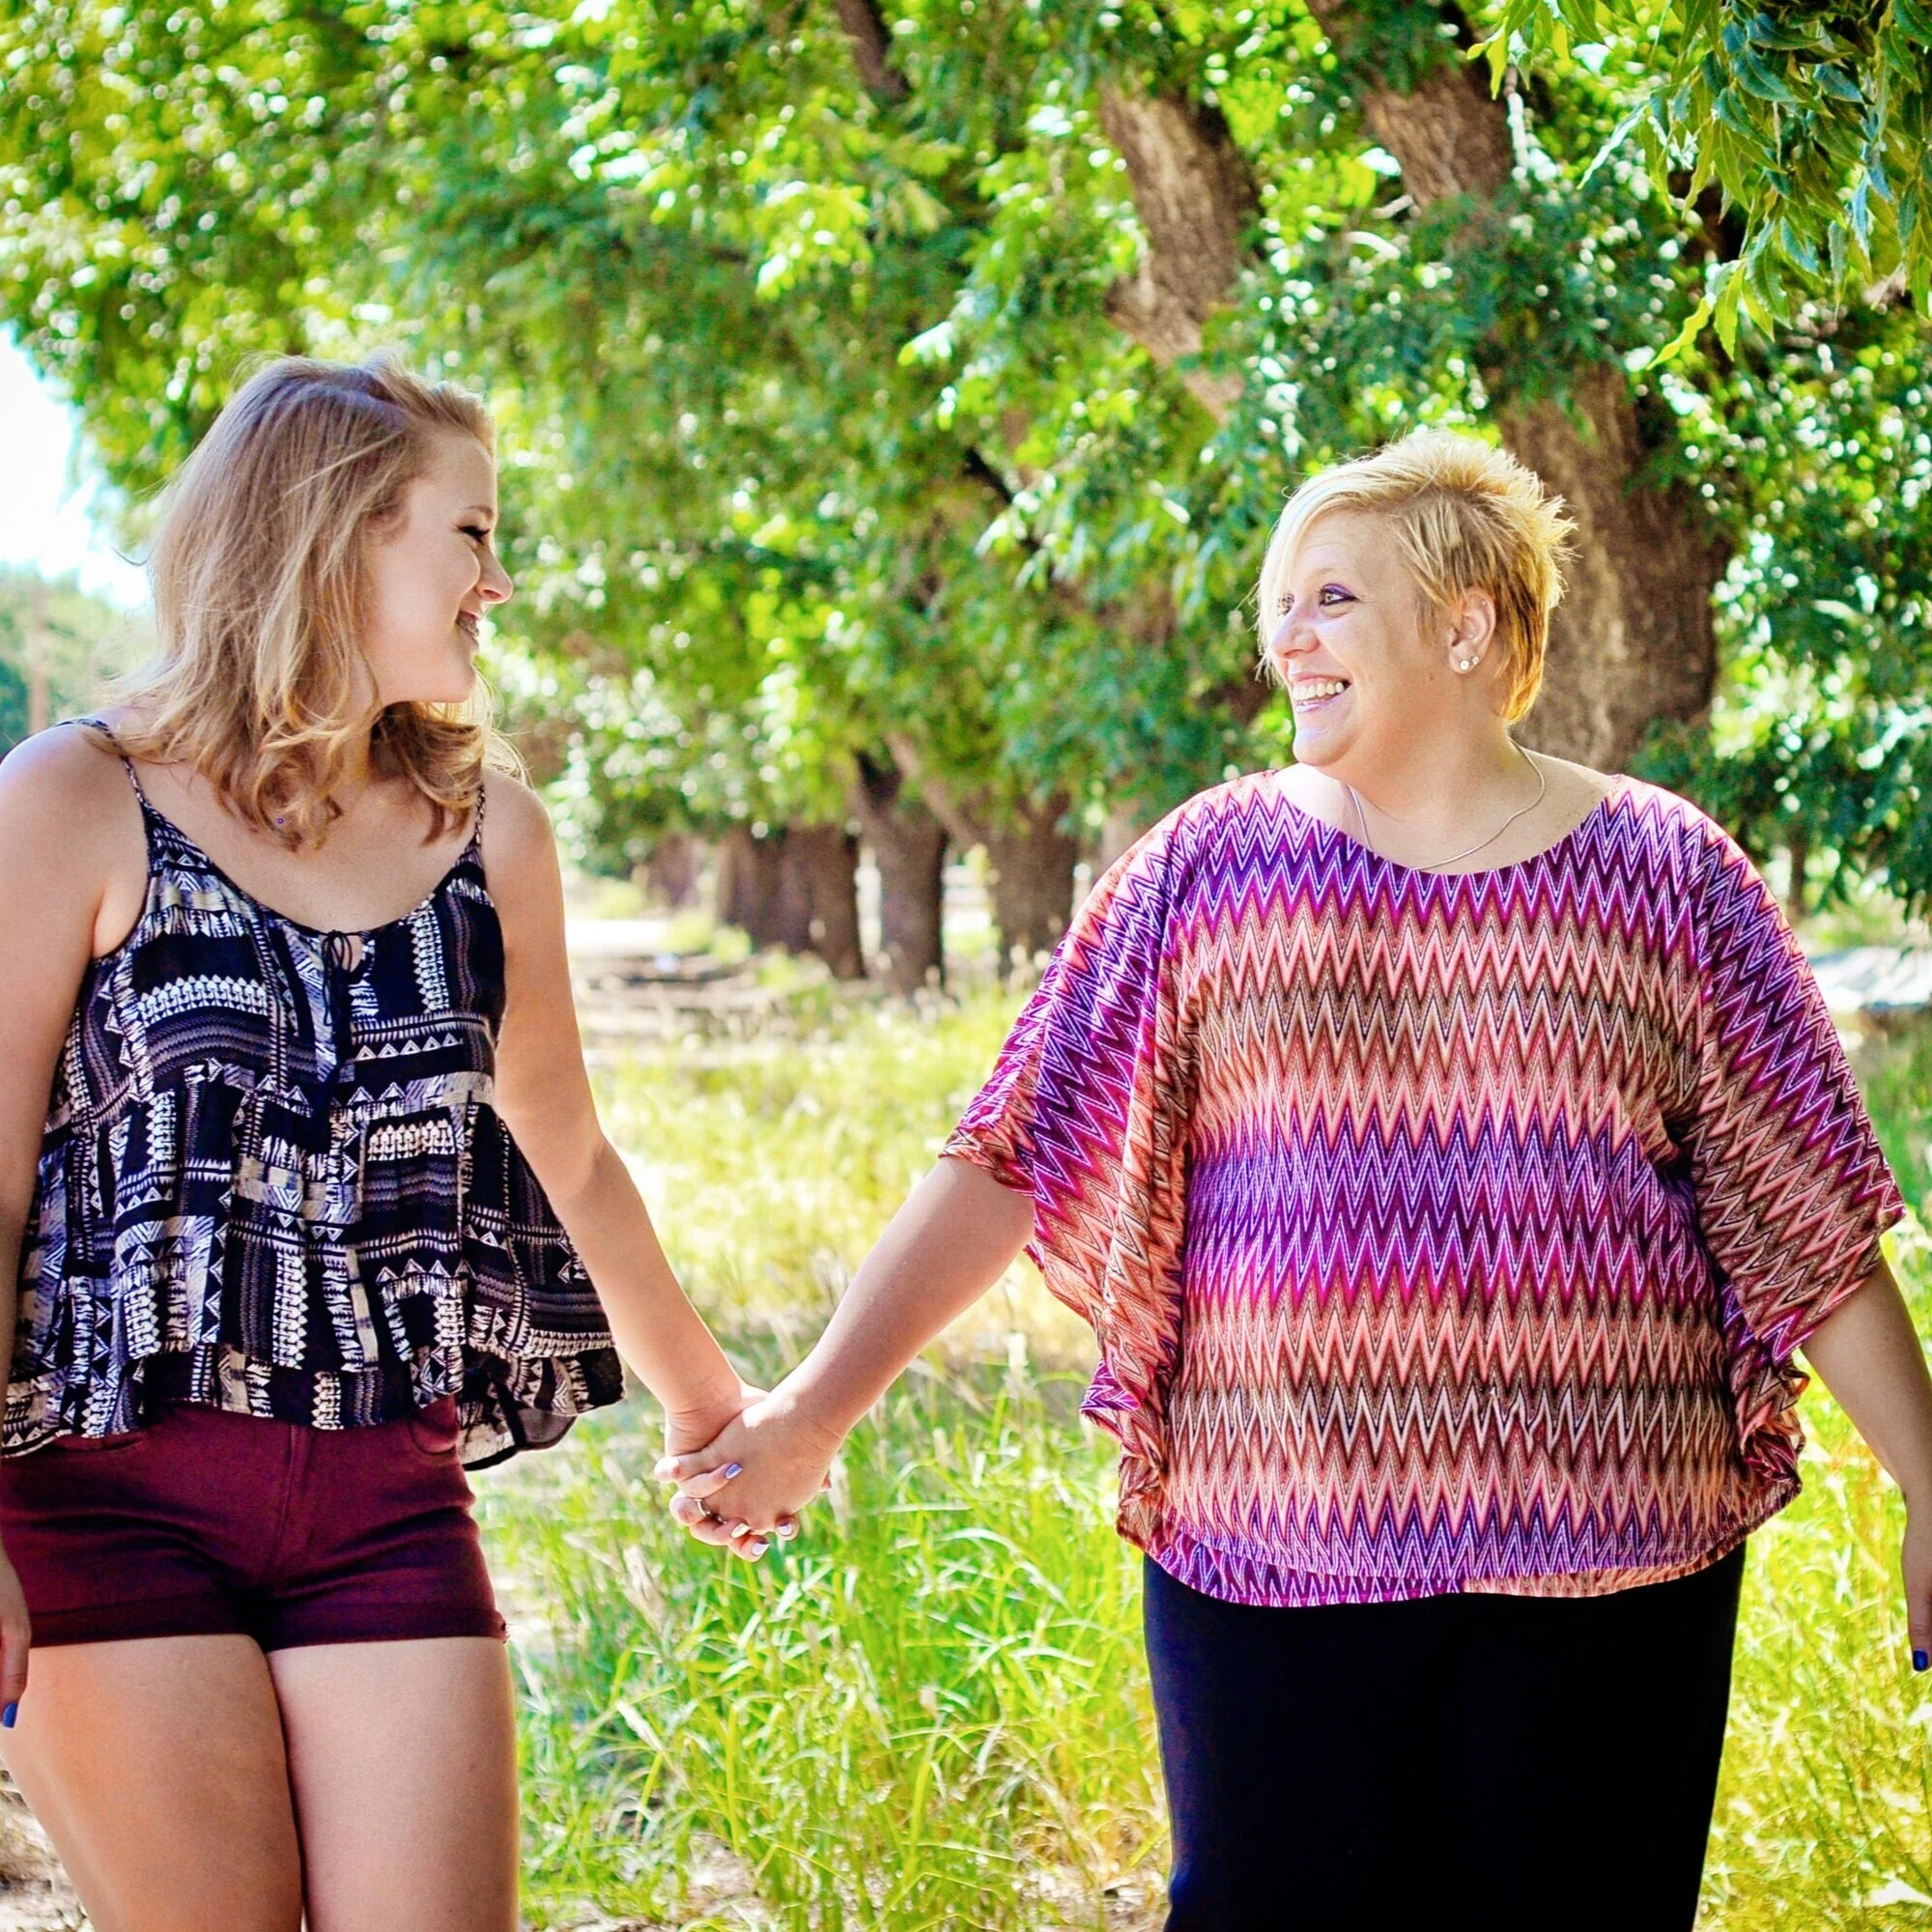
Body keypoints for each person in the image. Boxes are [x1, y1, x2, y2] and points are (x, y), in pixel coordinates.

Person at [658, 431, 1932, 1930]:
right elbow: (1015, 1155)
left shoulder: (1670, 877)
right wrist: (814, 1412)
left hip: (1616, 1558)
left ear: (1464, 626)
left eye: (1330, 598)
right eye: (1277, 609)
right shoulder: (1204, 872)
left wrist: (1929, 1484)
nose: (1287, 640)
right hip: (1271, 1548)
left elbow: (1806, 1216)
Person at [0, 354, 769, 1932]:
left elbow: (566, 1145)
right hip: (103, 1498)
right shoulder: (77, 796)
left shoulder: (491, 834)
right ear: (335, 531)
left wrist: (712, 1406)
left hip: (385, 1499)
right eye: (471, 534)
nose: (501, 581)